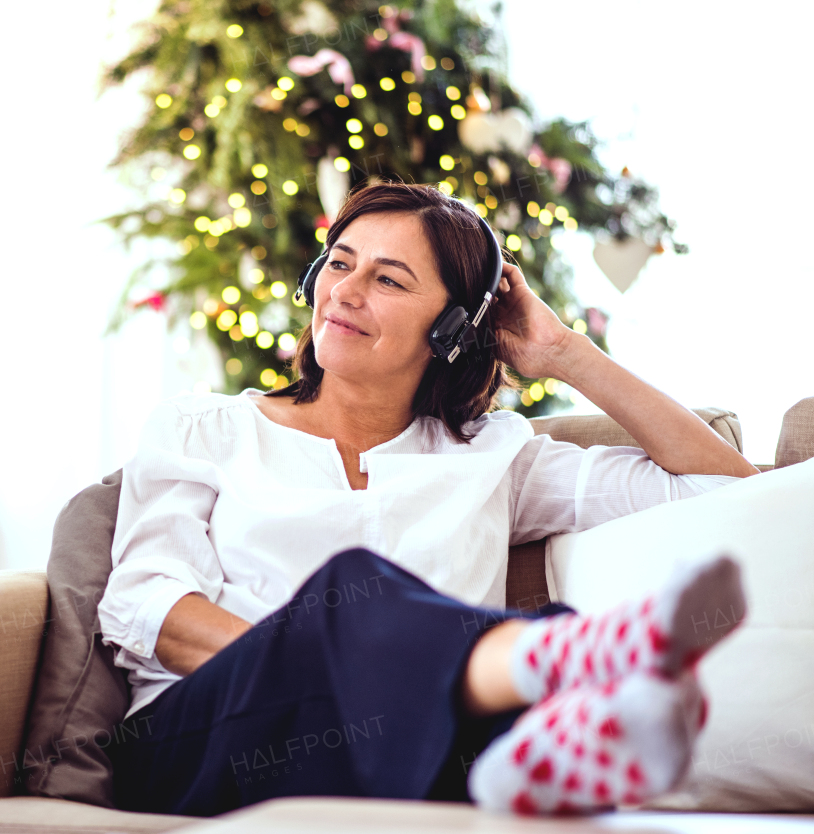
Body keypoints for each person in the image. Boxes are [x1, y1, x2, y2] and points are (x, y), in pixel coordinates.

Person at [98, 182, 758, 817]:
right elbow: (145, 605)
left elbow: (718, 489)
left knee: (419, 685)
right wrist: (319, 667)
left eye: (387, 280)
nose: (345, 292)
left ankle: (529, 759)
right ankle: (562, 656)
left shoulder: (493, 457)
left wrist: (565, 353)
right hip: (200, 745)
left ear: (449, 328)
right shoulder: (203, 430)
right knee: (351, 593)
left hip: (410, 749)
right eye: (339, 263)